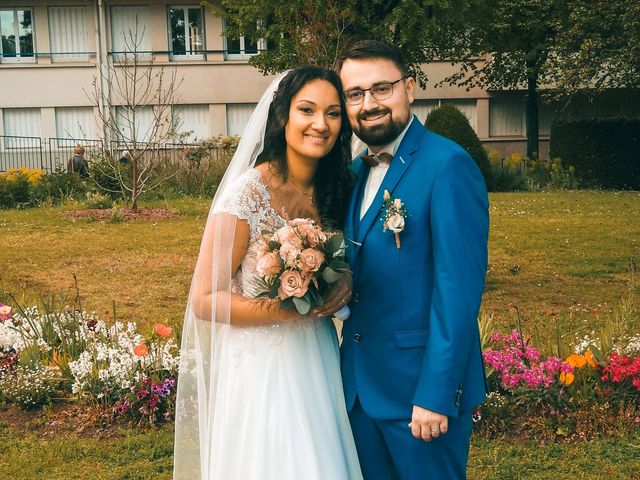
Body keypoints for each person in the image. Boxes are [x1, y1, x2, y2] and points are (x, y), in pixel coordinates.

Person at [172, 66, 363, 480]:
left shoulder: (338, 188)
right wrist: (283, 310)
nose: (321, 124)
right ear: (282, 117)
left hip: (317, 357)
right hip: (261, 369)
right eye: (307, 110)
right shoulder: (246, 194)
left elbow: (346, 262)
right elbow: (204, 299)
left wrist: (342, 282)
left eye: (333, 114)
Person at [335, 40, 490, 479]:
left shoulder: (448, 165)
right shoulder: (355, 172)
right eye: (355, 94)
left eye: (381, 88)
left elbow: (457, 291)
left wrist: (436, 394)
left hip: (419, 396)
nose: (369, 104)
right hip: (361, 392)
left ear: (410, 88)